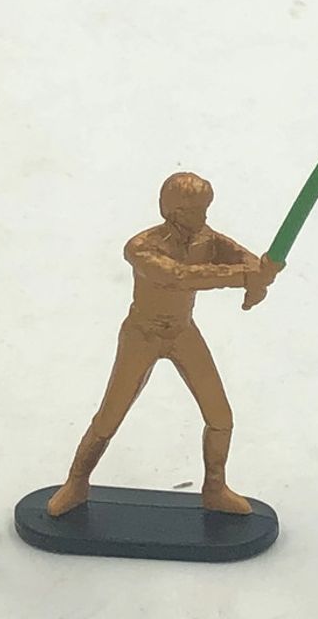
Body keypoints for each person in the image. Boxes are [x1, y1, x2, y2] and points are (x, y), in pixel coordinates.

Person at [47, 171, 282, 517]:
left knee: (220, 416)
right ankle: (77, 482)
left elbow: (241, 257)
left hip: (183, 333)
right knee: (110, 415)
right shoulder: (141, 247)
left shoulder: (206, 238)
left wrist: (262, 270)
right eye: (195, 211)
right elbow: (178, 277)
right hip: (142, 335)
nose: (203, 217)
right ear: (172, 211)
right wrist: (247, 277)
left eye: (205, 209)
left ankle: (215, 489)